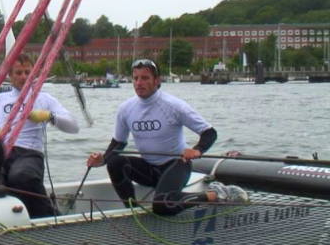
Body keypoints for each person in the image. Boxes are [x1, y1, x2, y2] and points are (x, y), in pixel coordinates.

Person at [87, 59, 248, 215]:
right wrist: (102, 160)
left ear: (157, 80)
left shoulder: (174, 105)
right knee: (115, 162)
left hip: (176, 166)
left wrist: (197, 150)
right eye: (135, 78)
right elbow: (118, 143)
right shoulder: (126, 109)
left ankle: (215, 194)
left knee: (162, 206)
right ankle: (132, 211)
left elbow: (210, 133)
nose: (139, 83)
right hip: (149, 169)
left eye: (144, 78)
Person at [0, 54, 79, 218]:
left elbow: (74, 127)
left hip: (29, 153)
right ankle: (12, 216)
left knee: (21, 176)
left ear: (34, 74)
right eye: (18, 73)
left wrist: (50, 116)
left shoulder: (44, 99)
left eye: (27, 72)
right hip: (4, 151)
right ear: (10, 76)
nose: (23, 77)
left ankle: (49, 215)